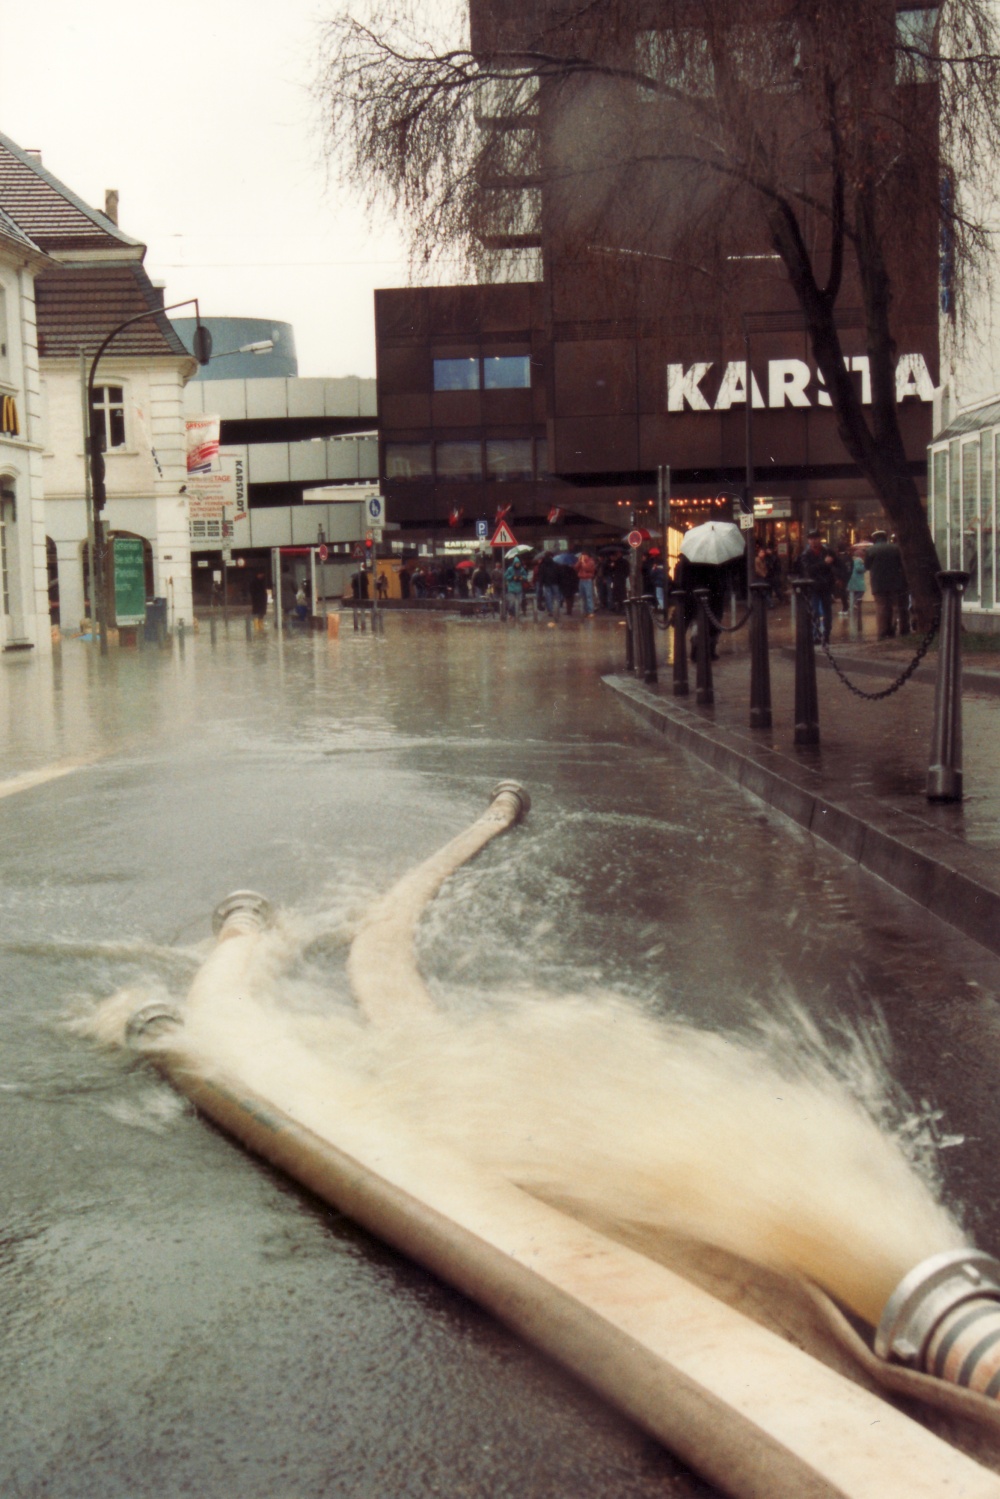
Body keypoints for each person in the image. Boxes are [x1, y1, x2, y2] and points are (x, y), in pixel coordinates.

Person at [673, 553, 726, 660]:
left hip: (693, 596)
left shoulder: (686, 560)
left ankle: (696, 651)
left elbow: (681, 581)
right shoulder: (713, 559)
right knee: (709, 624)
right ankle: (706, 651)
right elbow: (717, 580)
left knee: (697, 624)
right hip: (708, 597)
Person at [865, 529, 910, 639]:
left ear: (875, 539)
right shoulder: (896, 548)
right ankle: (898, 629)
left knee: (882, 606)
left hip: (878, 583)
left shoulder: (870, 550)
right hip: (896, 582)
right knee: (896, 606)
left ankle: (882, 631)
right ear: (885, 538)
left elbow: (867, 566)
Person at [795, 530, 838, 644]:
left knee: (826, 611)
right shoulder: (806, 554)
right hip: (813, 587)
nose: (814, 541)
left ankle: (826, 634)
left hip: (826, 586)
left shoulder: (827, 551)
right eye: (811, 538)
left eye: (816, 538)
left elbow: (835, 565)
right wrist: (824, 564)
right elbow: (809, 570)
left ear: (819, 539)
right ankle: (816, 634)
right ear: (808, 540)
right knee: (814, 611)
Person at [537, 550, 562, 623]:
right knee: (557, 596)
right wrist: (559, 581)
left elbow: (541, 575)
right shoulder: (555, 564)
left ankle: (550, 611)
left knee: (548, 597)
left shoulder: (542, 564)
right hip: (555, 582)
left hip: (546, 583)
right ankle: (557, 610)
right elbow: (558, 573)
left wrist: (541, 584)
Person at [846, 551, 867, 633]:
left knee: (855, 592)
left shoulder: (852, 560)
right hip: (857, 580)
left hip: (853, 579)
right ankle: (855, 602)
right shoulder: (859, 560)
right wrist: (865, 567)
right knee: (861, 591)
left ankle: (853, 602)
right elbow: (859, 569)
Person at [575, 550, 598, 616]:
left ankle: (590, 611)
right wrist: (579, 562)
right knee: (582, 596)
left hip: (588, 580)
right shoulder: (581, 561)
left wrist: (583, 562)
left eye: (584, 555)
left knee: (589, 596)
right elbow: (576, 568)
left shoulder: (591, 561)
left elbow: (587, 569)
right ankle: (584, 610)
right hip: (581, 579)